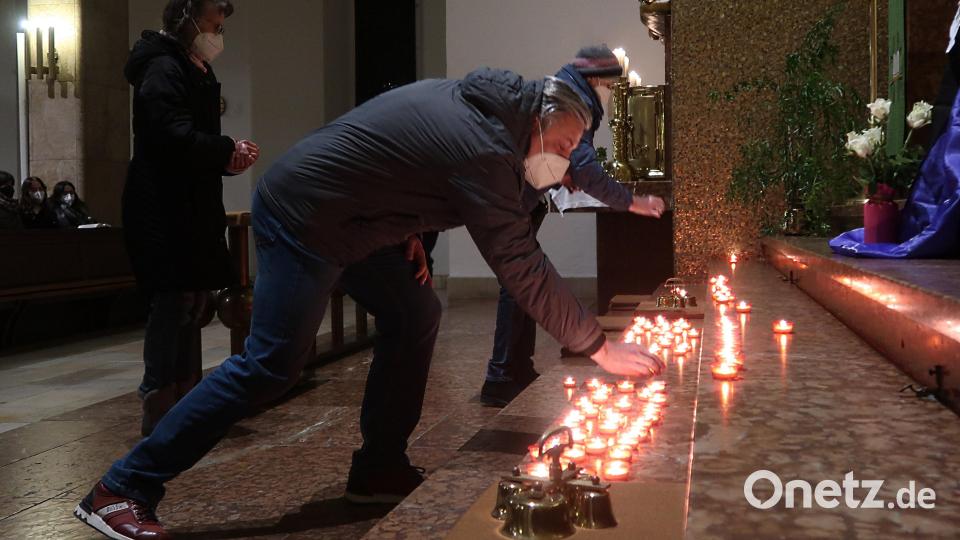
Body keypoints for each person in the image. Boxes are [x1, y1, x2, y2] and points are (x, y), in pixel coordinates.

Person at [73, 68, 664, 540]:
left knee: (415, 312)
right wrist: (598, 347)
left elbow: (399, 159)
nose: (562, 163)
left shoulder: (491, 116)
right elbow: (518, 261)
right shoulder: (483, 147)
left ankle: (379, 466)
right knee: (272, 363)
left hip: (359, 221)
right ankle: (122, 487)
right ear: (536, 119)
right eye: (561, 146)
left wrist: (403, 225)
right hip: (306, 216)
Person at [479, 45, 667, 406]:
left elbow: (569, 161)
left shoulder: (569, 92)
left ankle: (518, 366)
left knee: (522, 281)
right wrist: (632, 202)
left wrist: (564, 170)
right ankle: (500, 374)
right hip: (516, 199)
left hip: (524, 195)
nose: (609, 94)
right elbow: (584, 168)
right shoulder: (573, 102)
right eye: (609, 86)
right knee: (518, 282)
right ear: (595, 78)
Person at [121, 0, 259, 438]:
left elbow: (195, 140)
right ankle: (159, 401)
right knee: (173, 301)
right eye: (214, 22)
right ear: (187, 18)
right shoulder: (163, 67)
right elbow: (170, 136)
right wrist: (225, 148)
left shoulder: (192, 65)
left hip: (189, 202)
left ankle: (184, 398)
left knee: (194, 301)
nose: (218, 32)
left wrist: (227, 160)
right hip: (162, 204)